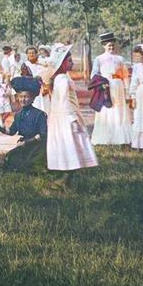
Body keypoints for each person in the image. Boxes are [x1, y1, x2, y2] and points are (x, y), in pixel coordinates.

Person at [40, 43, 98, 189]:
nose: (73, 63)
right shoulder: (63, 80)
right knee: (72, 147)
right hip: (67, 117)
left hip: (61, 117)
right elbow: (64, 102)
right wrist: (72, 120)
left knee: (71, 147)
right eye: (70, 61)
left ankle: (65, 179)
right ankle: (64, 179)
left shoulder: (62, 77)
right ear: (62, 63)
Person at [90, 32, 132, 146]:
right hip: (106, 86)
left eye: (113, 45)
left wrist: (127, 90)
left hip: (118, 85)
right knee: (107, 108)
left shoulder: (120, 59)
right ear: (104, 46)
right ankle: (105, 137)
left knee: (118, 109)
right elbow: (94, 74)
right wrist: (101, 83)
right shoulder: (99, 59)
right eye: (109, 45)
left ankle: (120, 137)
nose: (111, 47)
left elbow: (125, 76)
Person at [3, 76, 48, 173]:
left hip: (38, 147)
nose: (23, 99)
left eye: (26, 97)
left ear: (32, 98)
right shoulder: (18, 115)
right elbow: (12, 131)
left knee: (32, 165)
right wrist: (1, 128)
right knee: (8, 158)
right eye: (21, 97)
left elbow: (43, 134)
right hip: (24, 146)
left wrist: (26, 142)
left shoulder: (40, 114)